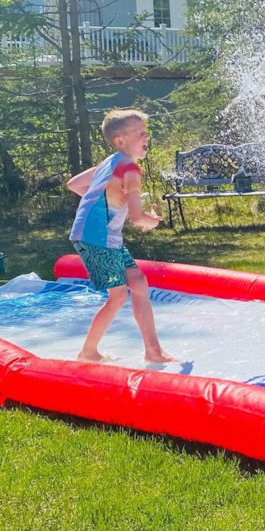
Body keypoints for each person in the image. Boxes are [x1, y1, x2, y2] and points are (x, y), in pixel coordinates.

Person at [66, 109, 176, 365]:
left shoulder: (109, 162)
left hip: (102, 235)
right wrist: (154, 221)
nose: (146, 136)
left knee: (138, 282)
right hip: (98, 238)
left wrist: (103, 205)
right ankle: (87, 353)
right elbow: (138, 218)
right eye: (140, 133)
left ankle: (153, 350)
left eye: (146, 132)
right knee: (118, 296)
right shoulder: (130, 170)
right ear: (120, 141)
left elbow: (74, 184)